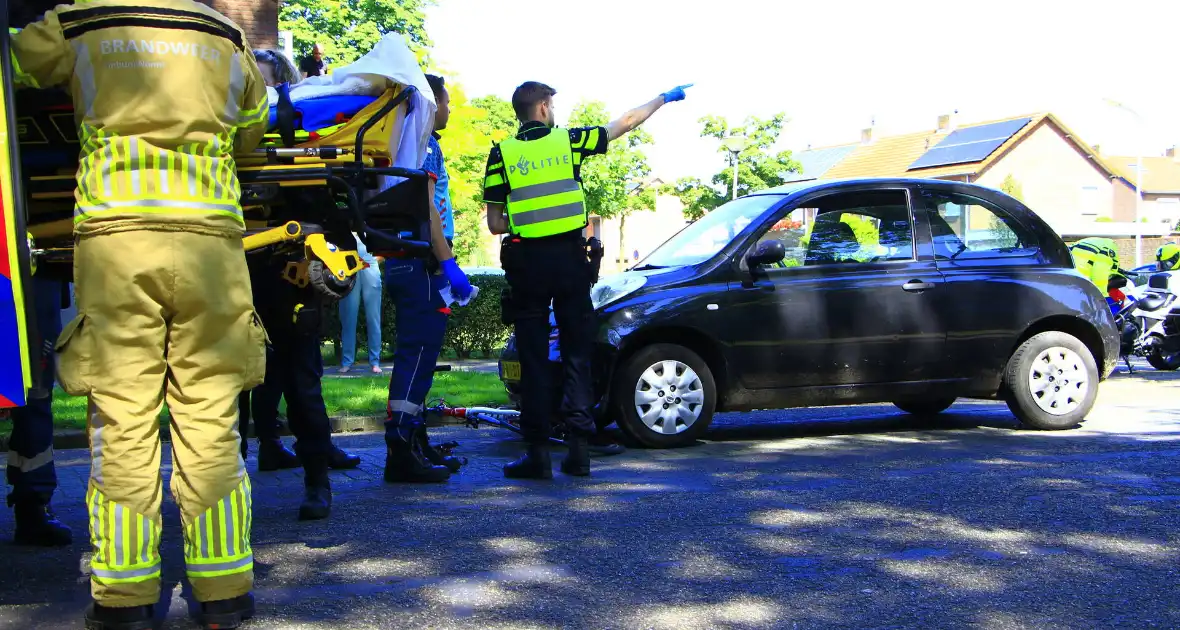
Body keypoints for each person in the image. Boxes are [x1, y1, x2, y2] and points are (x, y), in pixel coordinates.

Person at [11, 3, 269, 628]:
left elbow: (17, 67)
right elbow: (255, 129)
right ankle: (224, 593)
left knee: (122, 420)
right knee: (210, 417)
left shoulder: (80, 20)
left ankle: (124, 600)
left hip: (117, 238)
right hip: (212, 240)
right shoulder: (225, 31)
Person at [484, 81, 690, 479]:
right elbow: (626, 122)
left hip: (527, 263)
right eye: (552, 104)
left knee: (533, 358)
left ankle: (537, 455)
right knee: (577, 353)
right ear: (543, 107)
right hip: (569, 261)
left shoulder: (501, 153)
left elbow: (495, 223)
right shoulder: (569, 142)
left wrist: (529, 222)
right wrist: (664, 98)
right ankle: (578, 452)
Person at [383, 73, 470, 483]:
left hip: (408, 260)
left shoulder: (407, 141)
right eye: (447, 102)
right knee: (417, 357)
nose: (450, 109)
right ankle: (401, 451)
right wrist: (447, 261)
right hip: (422, 262)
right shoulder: (422, 144)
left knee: (417, 358)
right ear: (432, 104)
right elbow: (428, 207)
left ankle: (414, 443)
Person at [5, 271, 72, 547]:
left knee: (35, 392)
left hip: (32, 268)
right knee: (35, 397)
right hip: (32, 273)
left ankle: (34, 506)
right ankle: (33, 507)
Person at [338, 235, 384, 374]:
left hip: (369, 264)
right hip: (348, 265)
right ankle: (347, 361)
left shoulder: (371, 220)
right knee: (348, 317)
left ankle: (375, 361)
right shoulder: (343, 222)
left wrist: (375, 260)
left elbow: (383, 245)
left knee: (373, 317)